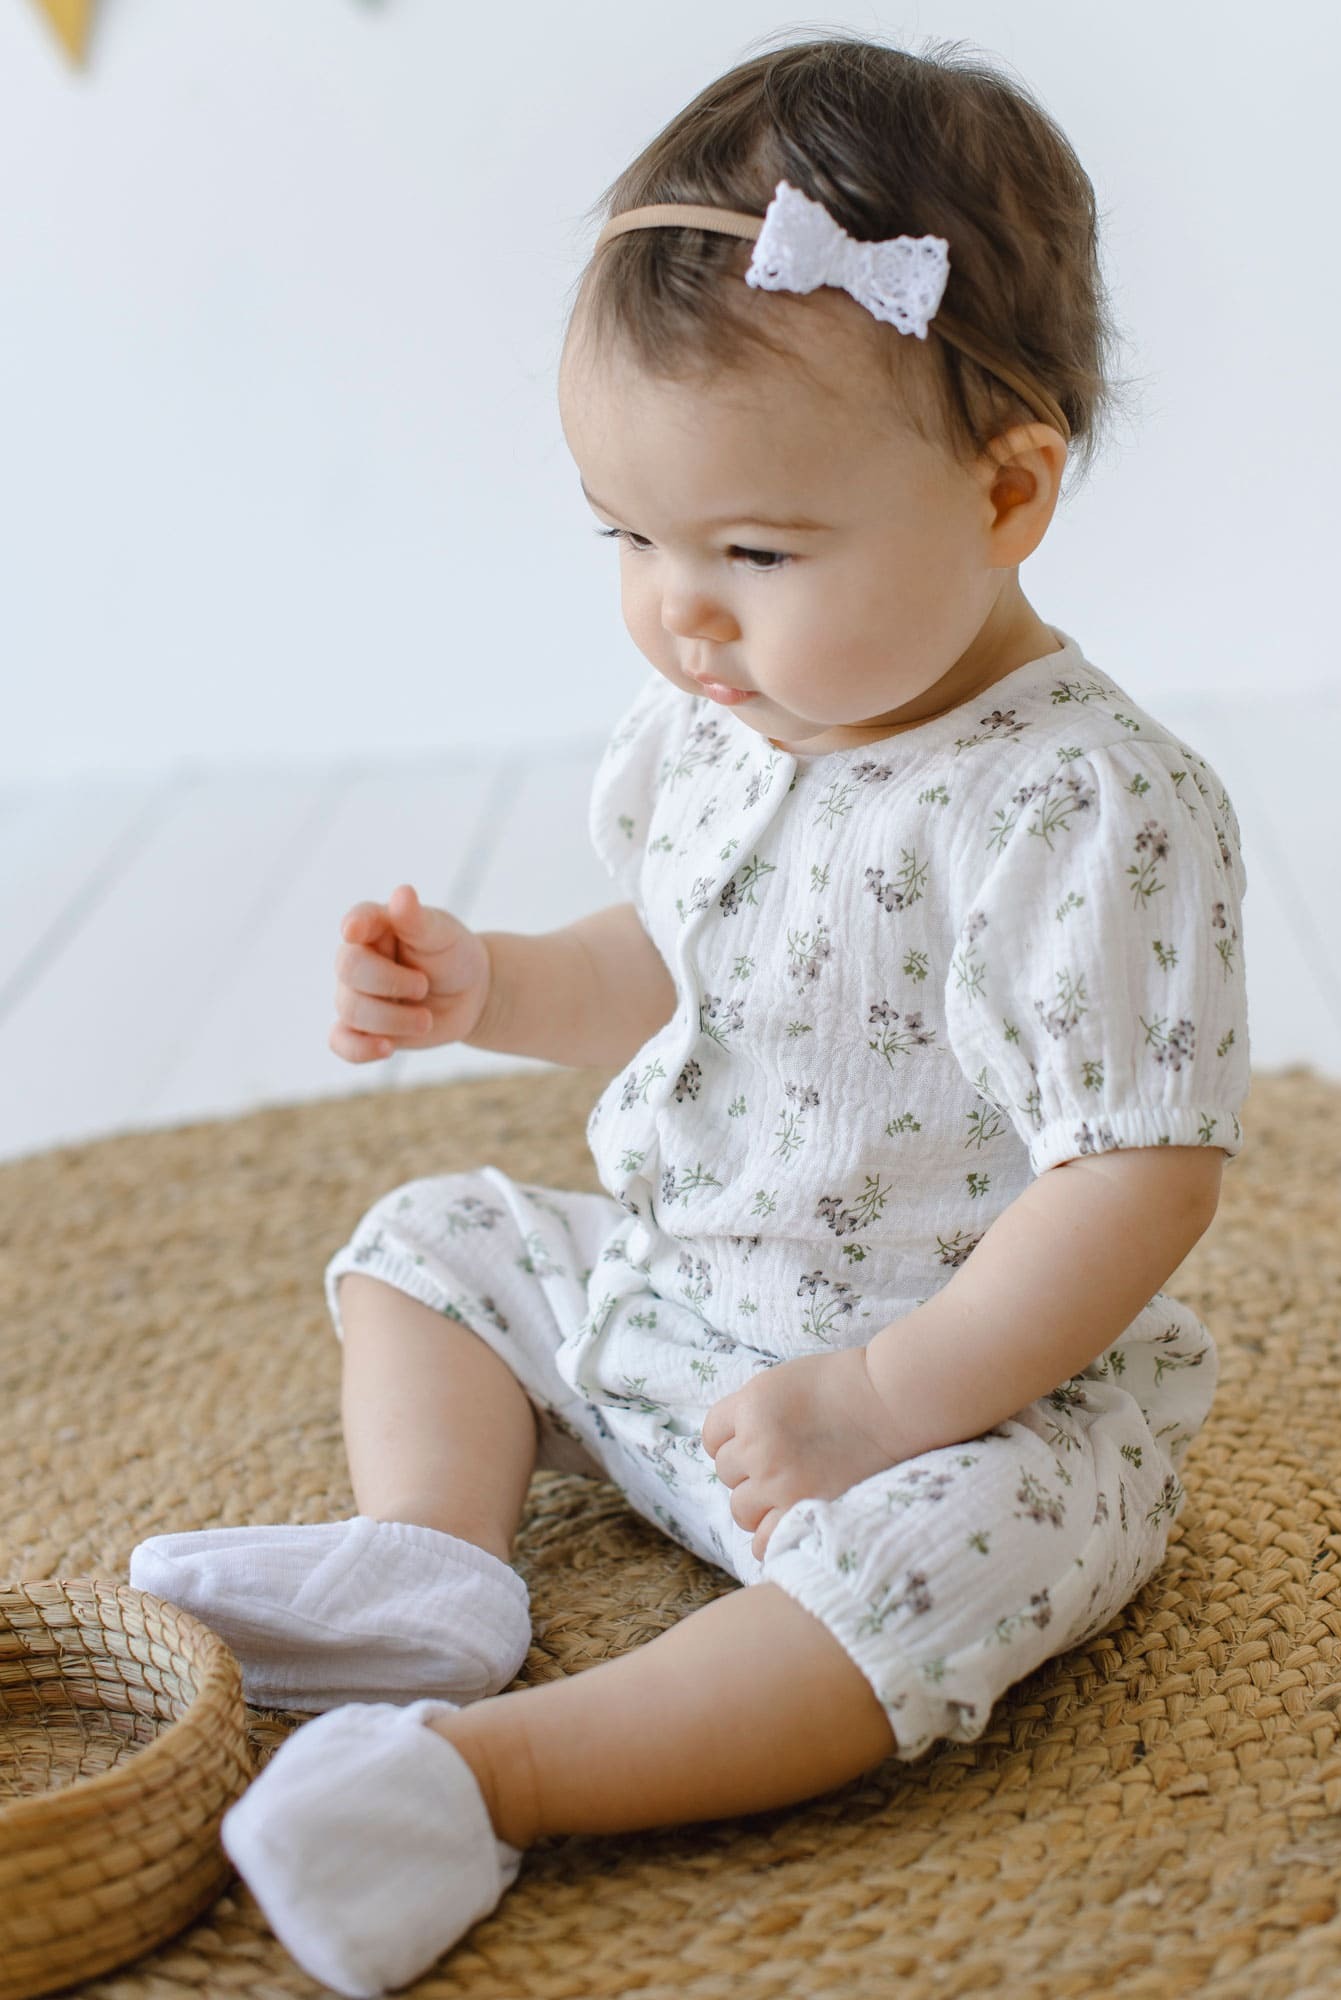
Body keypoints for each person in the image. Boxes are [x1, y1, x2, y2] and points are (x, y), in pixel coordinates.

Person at [129, 31, 1249, 1996]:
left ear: (1007, 493)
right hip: (673, 1316)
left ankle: (493, 1775)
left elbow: (1137, 1173)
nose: (680, 610)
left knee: (969, 1559)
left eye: (753, 551)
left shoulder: (1083, 804)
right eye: (629, 537)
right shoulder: (724, 715)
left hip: (948, 1406)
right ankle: (436, 1566)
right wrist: (495, 983)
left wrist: (885, 1400)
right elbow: (675, 959)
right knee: (432, 1242)